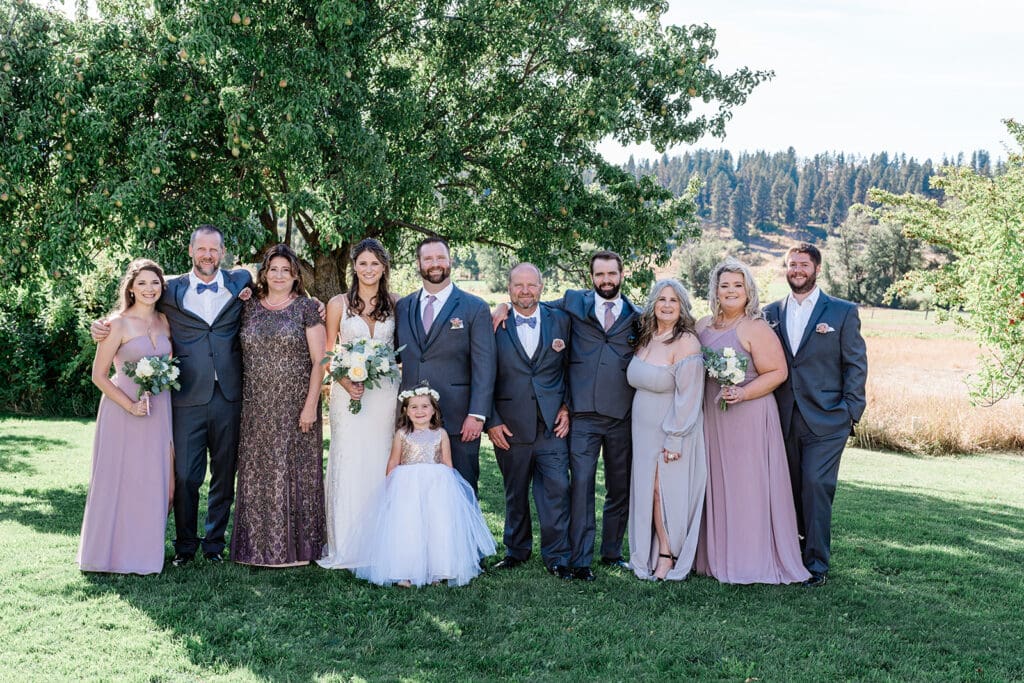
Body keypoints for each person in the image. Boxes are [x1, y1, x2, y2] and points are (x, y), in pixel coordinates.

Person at [90, 225, 253, 566]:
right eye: (201, 249)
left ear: (222, 253)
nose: (207, 255)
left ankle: (214, 546)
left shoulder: (241, 282)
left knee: (224, 473)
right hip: (185, 399)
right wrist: (100, 326)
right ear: (191, 252)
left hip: (229, 395)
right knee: (185, 476)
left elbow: (282, 288)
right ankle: (185, 546)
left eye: (214, 250)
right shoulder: (168, 290)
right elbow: (135, 307)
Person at [495, 250, 639, 581]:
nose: (605, 280)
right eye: (599, 274)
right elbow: (530, 305)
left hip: (622, 413)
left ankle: (612, 551)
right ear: (590, 278)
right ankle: (578, 559)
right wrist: (502, 307)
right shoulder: (572, 305)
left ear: (621, 275)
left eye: (611, 274)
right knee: (580, 486)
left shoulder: (637, 315)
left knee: (619, 488)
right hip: (583, 416)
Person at [695, 258, 810, 585]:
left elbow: (778, 372)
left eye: (737, 285)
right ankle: (714, 555)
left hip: (748, 415)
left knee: (748, 487)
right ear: (715, 290)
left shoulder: (754, 327)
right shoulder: (702, 326)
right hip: (713, 416)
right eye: (725, 285)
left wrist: (743, 394)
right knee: (716, 481)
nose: (731, 291)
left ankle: (750, 559)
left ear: (748, 291)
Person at [763, 243, 868, 587]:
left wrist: (851, 411)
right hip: (783, 417)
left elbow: (855, 364)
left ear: (817, 269)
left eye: (803, 264)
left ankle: (817, 566)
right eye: (791, 264)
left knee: (815, 486)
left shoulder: (841, 312)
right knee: (788, 487)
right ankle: (790, 557)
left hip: (827, 419)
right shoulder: (770, 313)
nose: (797, 269)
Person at [229, 244, 326, 567]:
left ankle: (297, 551)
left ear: (296, 275)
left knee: (296, 473)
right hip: (256, 405)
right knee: (258, 474)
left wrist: (311, 405)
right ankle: (255, 550)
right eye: (274, 269)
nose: (280, 275)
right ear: (264, 273)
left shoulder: (307, 309)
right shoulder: (248, 306)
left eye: (286, 270)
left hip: (296, 404)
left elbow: (319, 361)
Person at [78, 259, 174, 574]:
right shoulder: (116, 324)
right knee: (118, 480)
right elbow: (99, 375)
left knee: (154, 481)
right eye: (142, 283)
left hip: (159, 410)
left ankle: (144, 554)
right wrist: (130, 405)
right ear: (131, 287)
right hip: (123, 411)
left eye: (155, 283)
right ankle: (105, 556)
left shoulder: (164, 320)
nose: (149, 289)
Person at [352, 385, 496, 587]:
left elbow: (447, 463)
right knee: (408, 526)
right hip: (407, 486)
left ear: (434, 410)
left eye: (425, 406)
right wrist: (389, 487)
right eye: (414, 407)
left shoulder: (441, 434)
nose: (420, 411)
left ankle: (438, 570)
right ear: (406, 411)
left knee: (436, 525)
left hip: (436, 485)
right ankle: (404, 571)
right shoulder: (402, 434)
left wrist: (450, 489)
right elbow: (393, 462)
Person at [486, 263, 573, 580]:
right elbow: (484, 375)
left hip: (552, 424)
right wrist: (491, 420)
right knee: (515, 491)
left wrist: (568, 406)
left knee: (557, 489)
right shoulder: (492, 324)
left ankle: (558, 555)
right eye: (518, 285)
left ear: (541, 286)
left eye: (531, 285)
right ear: (508, 287)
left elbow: (573, 367)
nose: (525, 291)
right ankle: (516, 550)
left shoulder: (562, 320)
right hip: (508, 424)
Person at [318, 238, 400, 570]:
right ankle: (348, 544)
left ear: (384, 268)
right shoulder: (337, 303)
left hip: (384, 394)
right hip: (346, 394)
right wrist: (345, 381)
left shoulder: (395, 302)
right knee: (349, 459)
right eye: (363, 263)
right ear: (354, 266)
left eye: (375, 264)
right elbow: (326, 353)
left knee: (381, 458)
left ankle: (382, 540)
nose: (369, 269)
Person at [394, 236, 496, 495]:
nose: (435, 264)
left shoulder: (475, 307)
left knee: (461, 496)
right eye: (428, 258)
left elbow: (485, 366)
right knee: (415, 499)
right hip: (412, 423)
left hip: (460, 421)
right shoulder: (403, 307)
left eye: (440, 257)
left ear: (450, 260)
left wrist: (478, 414)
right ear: (418, 263)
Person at [626, 279, 706, 581]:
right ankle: (646, 552)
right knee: (647, 491)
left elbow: (689, 396)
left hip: (670, 429)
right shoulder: (647, 336)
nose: (667, 305)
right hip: (642, 431)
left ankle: (667, 553)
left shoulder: (686, 342)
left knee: (662, 491)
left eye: (673, 300)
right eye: (661, 299)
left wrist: (675, 437)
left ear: (682, 305)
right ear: (653, 304)